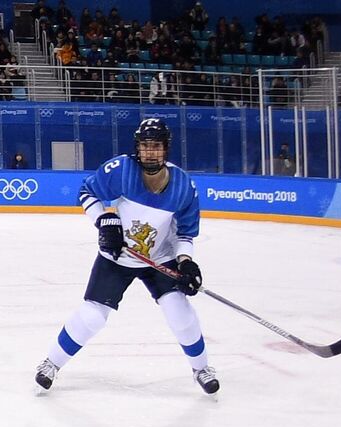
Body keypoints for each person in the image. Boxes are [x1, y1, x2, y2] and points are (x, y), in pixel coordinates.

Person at [34, 118, 216, 395]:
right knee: (93, 317)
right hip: (117, 256)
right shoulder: (120, 170)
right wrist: (104, 222)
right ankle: (51, 363)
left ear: (166, 149)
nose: (150, 152)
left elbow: (185, 234)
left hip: (160, 259)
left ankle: (201, 368)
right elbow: (86, 192)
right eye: (145, 146)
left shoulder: (183, 186)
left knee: (179, 312)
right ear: (137, 148)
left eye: (156, 146)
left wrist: (186, 262)